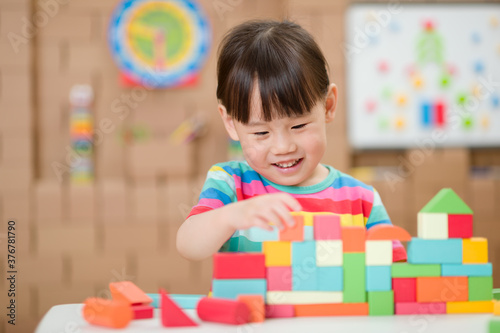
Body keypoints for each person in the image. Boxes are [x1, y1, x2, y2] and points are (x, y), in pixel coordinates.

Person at [176, 19, 407, 263]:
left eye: (298, 126)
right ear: (231, 123)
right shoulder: (231, 183)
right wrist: (231, 216)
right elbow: (188, 245)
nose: (283, 147)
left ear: (328, 105)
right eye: (261, 133)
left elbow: (394, 277)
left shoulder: (361, 199)